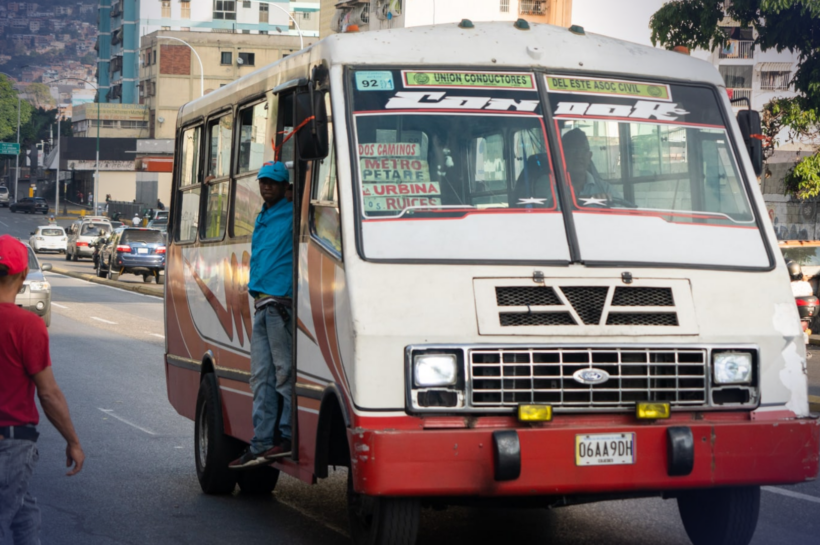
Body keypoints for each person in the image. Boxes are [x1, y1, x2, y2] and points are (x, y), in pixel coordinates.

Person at [0, 235, 84, 543]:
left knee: (24, 511)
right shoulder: (27, 325)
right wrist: (73, 441)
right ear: (23, 276)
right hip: (10, 444)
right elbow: (48, 393)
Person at [230, 161, 294, 469]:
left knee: (284, 373)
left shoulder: (292, 214)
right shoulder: (263, 216)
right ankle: (262, 442)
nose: (266, 186)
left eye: (273, 182)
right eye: (263, 182)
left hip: (280, 305)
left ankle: (287, 435)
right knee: (261, 378)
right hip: (261, 303)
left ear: (285, 187)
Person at [561, 128, 618, 202]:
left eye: (583, 150)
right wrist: (590, 199)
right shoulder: (549, 184)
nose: (579, 155)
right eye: (573, 150)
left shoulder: (605, 188)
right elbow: (549, 203)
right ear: (563, 155)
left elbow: (623, 210)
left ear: (590, 156)